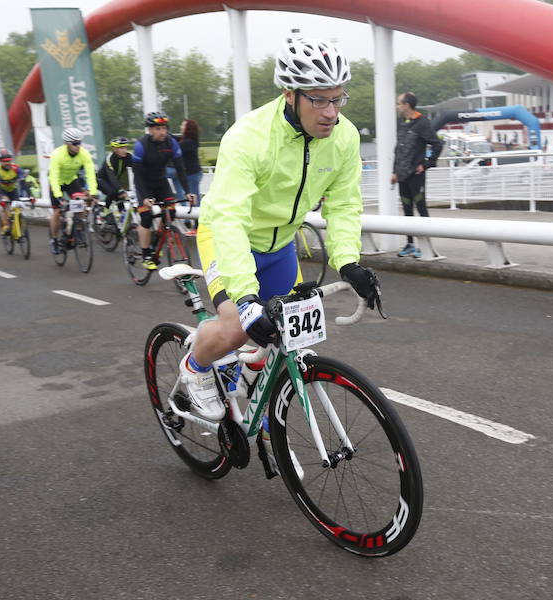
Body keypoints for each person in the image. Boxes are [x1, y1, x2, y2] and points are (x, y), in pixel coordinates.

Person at [178, 35, 380, 421]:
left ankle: (248, 371)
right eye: (318, 99)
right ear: (290, 94)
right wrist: (244, 296)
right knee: (239, 326)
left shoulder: (345, 137)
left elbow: (344, 204)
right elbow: (229, 217)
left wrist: (349, 263)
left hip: (281, 243)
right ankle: (196, 369)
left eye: (338, 98)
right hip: (227, 236)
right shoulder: (249, 137)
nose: (330, 113)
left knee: (289, 330)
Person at [131, 111, 196, 270]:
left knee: (171, 213)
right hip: (144, 184)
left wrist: (188, 191)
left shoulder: (171, 143)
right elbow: (137, 175)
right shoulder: (141, 145)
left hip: (161, 183)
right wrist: (145, 197)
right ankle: (146, 254)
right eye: (158, 129)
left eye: (164, 128)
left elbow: (180, 168)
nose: (163, 132)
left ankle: (156, 242)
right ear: (150, 130)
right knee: (146, 216)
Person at [391, 91, 442, 258]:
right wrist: (394, 171)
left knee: (421, 208)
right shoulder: (401, 122)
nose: (397, 106)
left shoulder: (422, 122)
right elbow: (398, 149)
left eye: (399, 103)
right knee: (407, 209)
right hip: (402, 175)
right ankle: (410, 244)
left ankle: (425, 245)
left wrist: (426, 164)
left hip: (416, 174)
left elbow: (437, 145)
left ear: (407, 105)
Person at [47, 127, 97, 254]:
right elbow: (53, 176)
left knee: (80, 204)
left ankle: (78, 230)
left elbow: (90, 172)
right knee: (57, 211)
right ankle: (53, 239)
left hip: (71, 180)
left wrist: (92, 191)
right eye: (75, 144)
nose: (78, 146)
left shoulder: (84, 153)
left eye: (79, 143)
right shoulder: (58, 154)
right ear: (67, 144)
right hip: (56, 183)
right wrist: (59, 196)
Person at [96, 136, 133, 216]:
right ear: (114, 149)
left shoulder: (128, 157)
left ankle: (122, 220)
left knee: (121, 198)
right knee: (113, 192)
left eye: (125, 147)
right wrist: (120, 190)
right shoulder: (109, 159)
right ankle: (105, 212)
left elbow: (137, 169)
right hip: (102, 180)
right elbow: (111, 177)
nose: (124, 150)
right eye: (121, 148)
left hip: (114, 181)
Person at [0, 149, 23, 236]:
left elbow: (23, 182)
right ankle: (5, 225)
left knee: (18, 208)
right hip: (2, 190)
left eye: (9, 161)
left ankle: (18, 226)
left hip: (12, 190)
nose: (7, 163)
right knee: (3, 207)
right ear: (0, 161)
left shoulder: (16, 168)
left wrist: (28, 195)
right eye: (4, 161)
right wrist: (2, 197)